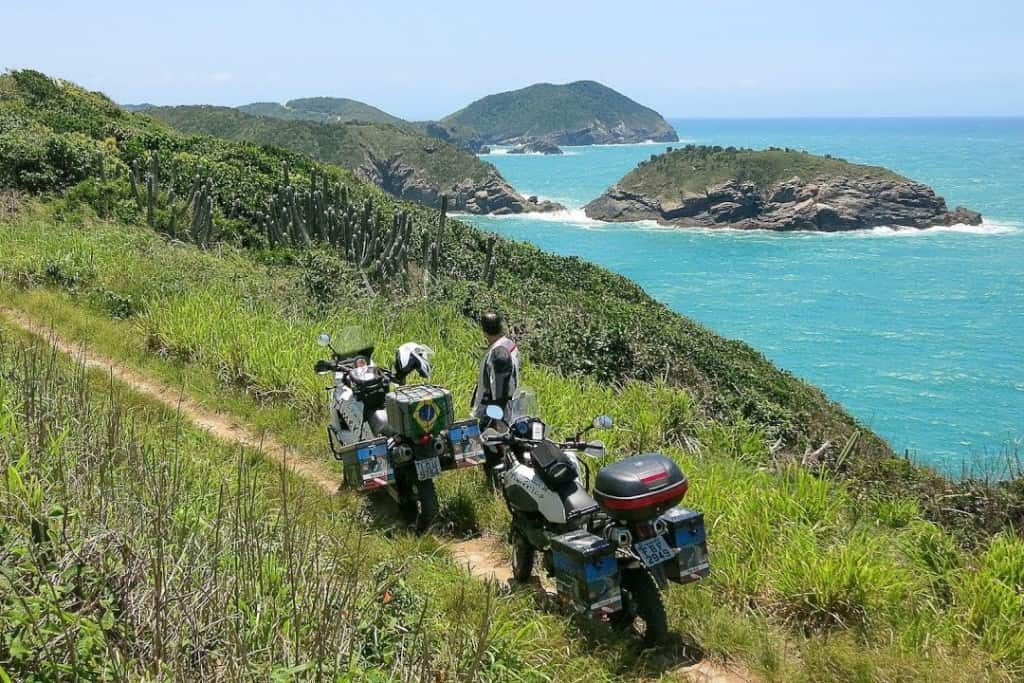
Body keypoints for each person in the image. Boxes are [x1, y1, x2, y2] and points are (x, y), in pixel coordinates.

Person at [471, 312, 520, 488]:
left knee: (492, 451)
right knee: (500, 450)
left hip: (495, 411)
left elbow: (498, 391)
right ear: (501, 325)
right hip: (506, 408)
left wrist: (494, 419)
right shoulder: (509, 345)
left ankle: (496, 489)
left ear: (483, 330)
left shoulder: (498, 353)